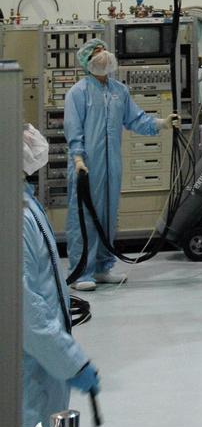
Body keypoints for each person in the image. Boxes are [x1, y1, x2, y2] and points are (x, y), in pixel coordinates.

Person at [64, 39, 179, 291]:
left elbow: (135, 119)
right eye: (96, 53)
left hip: (112, 166)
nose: (102, 56)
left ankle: (103, 267)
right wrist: (78, 158)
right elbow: (74, 129)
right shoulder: (78, 93)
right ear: (86, 61)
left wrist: (162, 123)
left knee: (107, 215)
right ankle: (80, 271)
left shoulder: (119, 91)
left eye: (103, 51)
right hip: (86, 165)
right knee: (84, 217)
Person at [21, 124, 100, 427]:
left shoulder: (24, 204)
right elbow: (27, 314)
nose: (31, 135)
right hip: (30, 369)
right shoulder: (14, 217)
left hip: (42, 362)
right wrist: (71, 362)